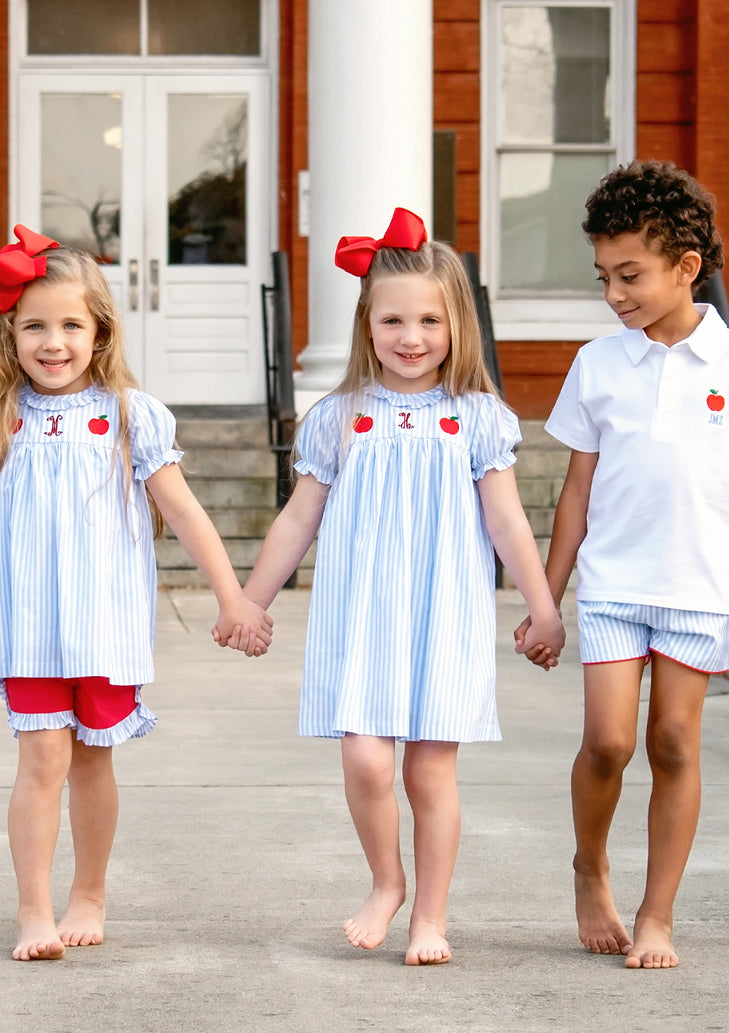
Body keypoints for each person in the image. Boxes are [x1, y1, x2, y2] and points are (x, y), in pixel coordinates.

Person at [0, 225, 273, 962]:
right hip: (27, 620)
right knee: (42, 758)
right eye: (34, 326)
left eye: (69, 325)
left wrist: (232, 597)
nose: (52, 342)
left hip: (104, 621)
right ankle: (32, 909)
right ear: (8, 333)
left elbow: (183, 510)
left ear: (98, 331)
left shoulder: (127, 414)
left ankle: (88, 890)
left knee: (92, 759)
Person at [233, 208, 565, 966]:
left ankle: (431, 917)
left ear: (457, 326)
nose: (409, 336)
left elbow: (509, 525)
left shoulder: (478, 417)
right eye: (392, 320)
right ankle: (387, 881)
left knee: (428, 768)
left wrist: (542, 608)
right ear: (366, 325)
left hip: (441, 612)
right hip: (359, 614)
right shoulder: (337, 417)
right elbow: (295, 520)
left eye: (427, 320)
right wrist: (249, 598)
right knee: (366, 761)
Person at [515, 160, 729, 969]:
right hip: (612, 584)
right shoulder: (598, 364)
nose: (613, 295)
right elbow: (575, 491)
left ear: (685, 266)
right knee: (606, 741)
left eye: (629, 275)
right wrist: (547, 599)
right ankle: (589, 865)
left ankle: (656, 913)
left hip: (698, 587)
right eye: (603, 276)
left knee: (673, 740)